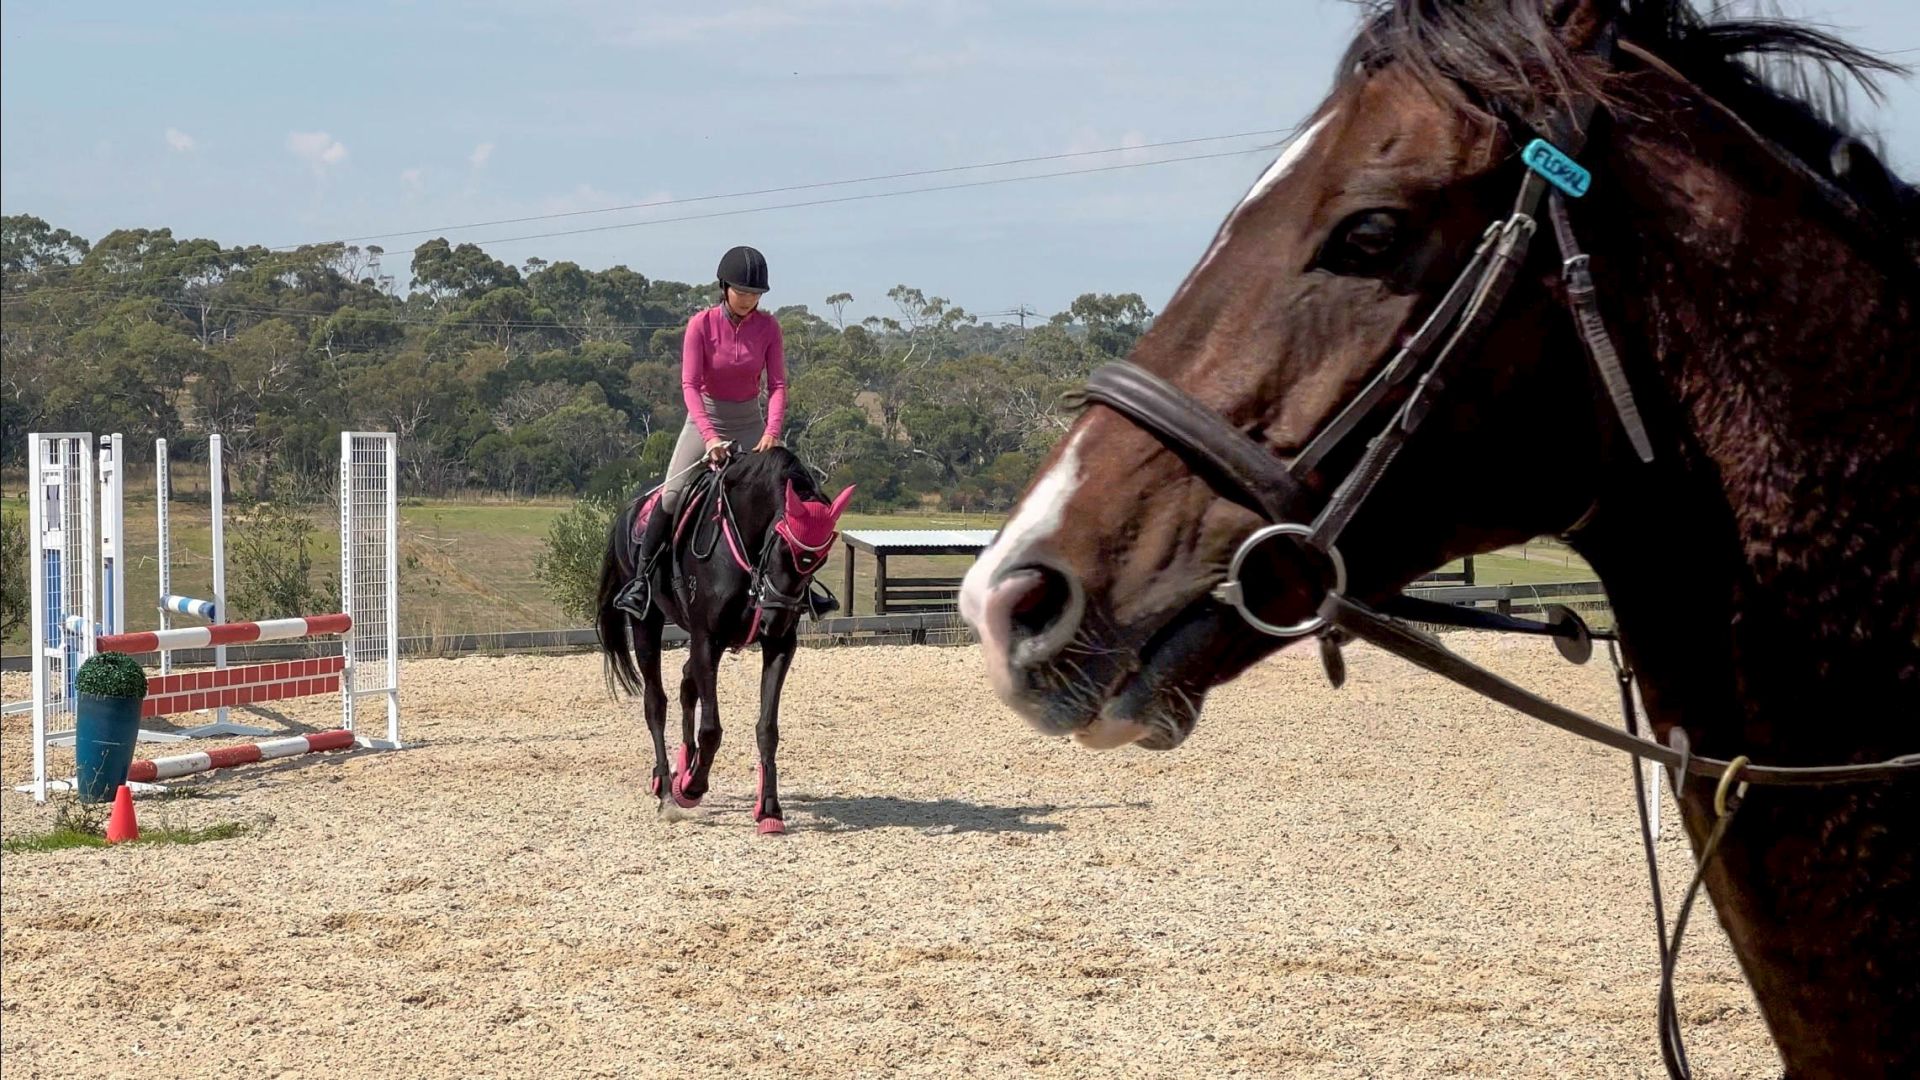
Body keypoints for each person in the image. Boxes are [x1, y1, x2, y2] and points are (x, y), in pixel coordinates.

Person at [615, 245, 833, 620]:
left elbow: (778, 384)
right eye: (743, 292)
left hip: (751, 424)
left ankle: (805, 589)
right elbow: (689, 385)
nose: (749, 300)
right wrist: (711, 436)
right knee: (671, 496)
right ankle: (641, 582)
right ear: (724, 287)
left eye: (756, 294)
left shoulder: (769, 328)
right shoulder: (701, 324)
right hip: (705, 420)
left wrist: (772, 431)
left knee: (784, 500)